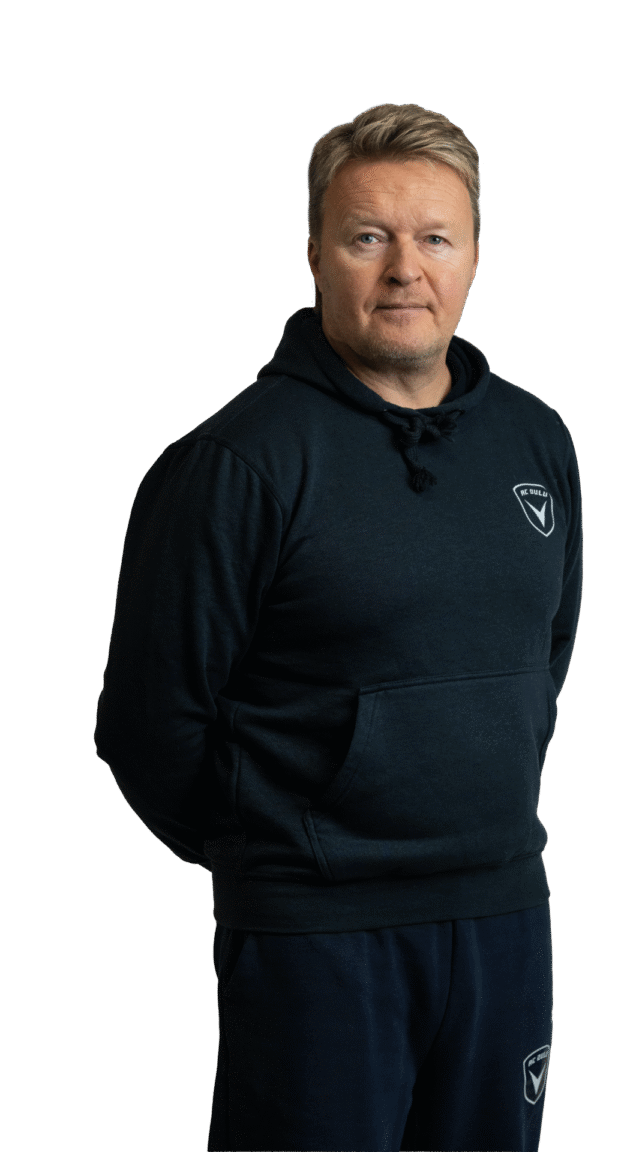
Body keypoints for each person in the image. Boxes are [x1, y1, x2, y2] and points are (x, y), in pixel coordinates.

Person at [94, 102, 583, 1152]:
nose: (406, 269)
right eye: (369, 237)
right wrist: (287, 846)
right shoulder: (237, 464)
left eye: (435, 238)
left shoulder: (536, 441)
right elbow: (146, 723)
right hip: (316, 938)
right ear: (316, 257)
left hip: (504, 916)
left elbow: (545, 657)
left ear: (475, 258)